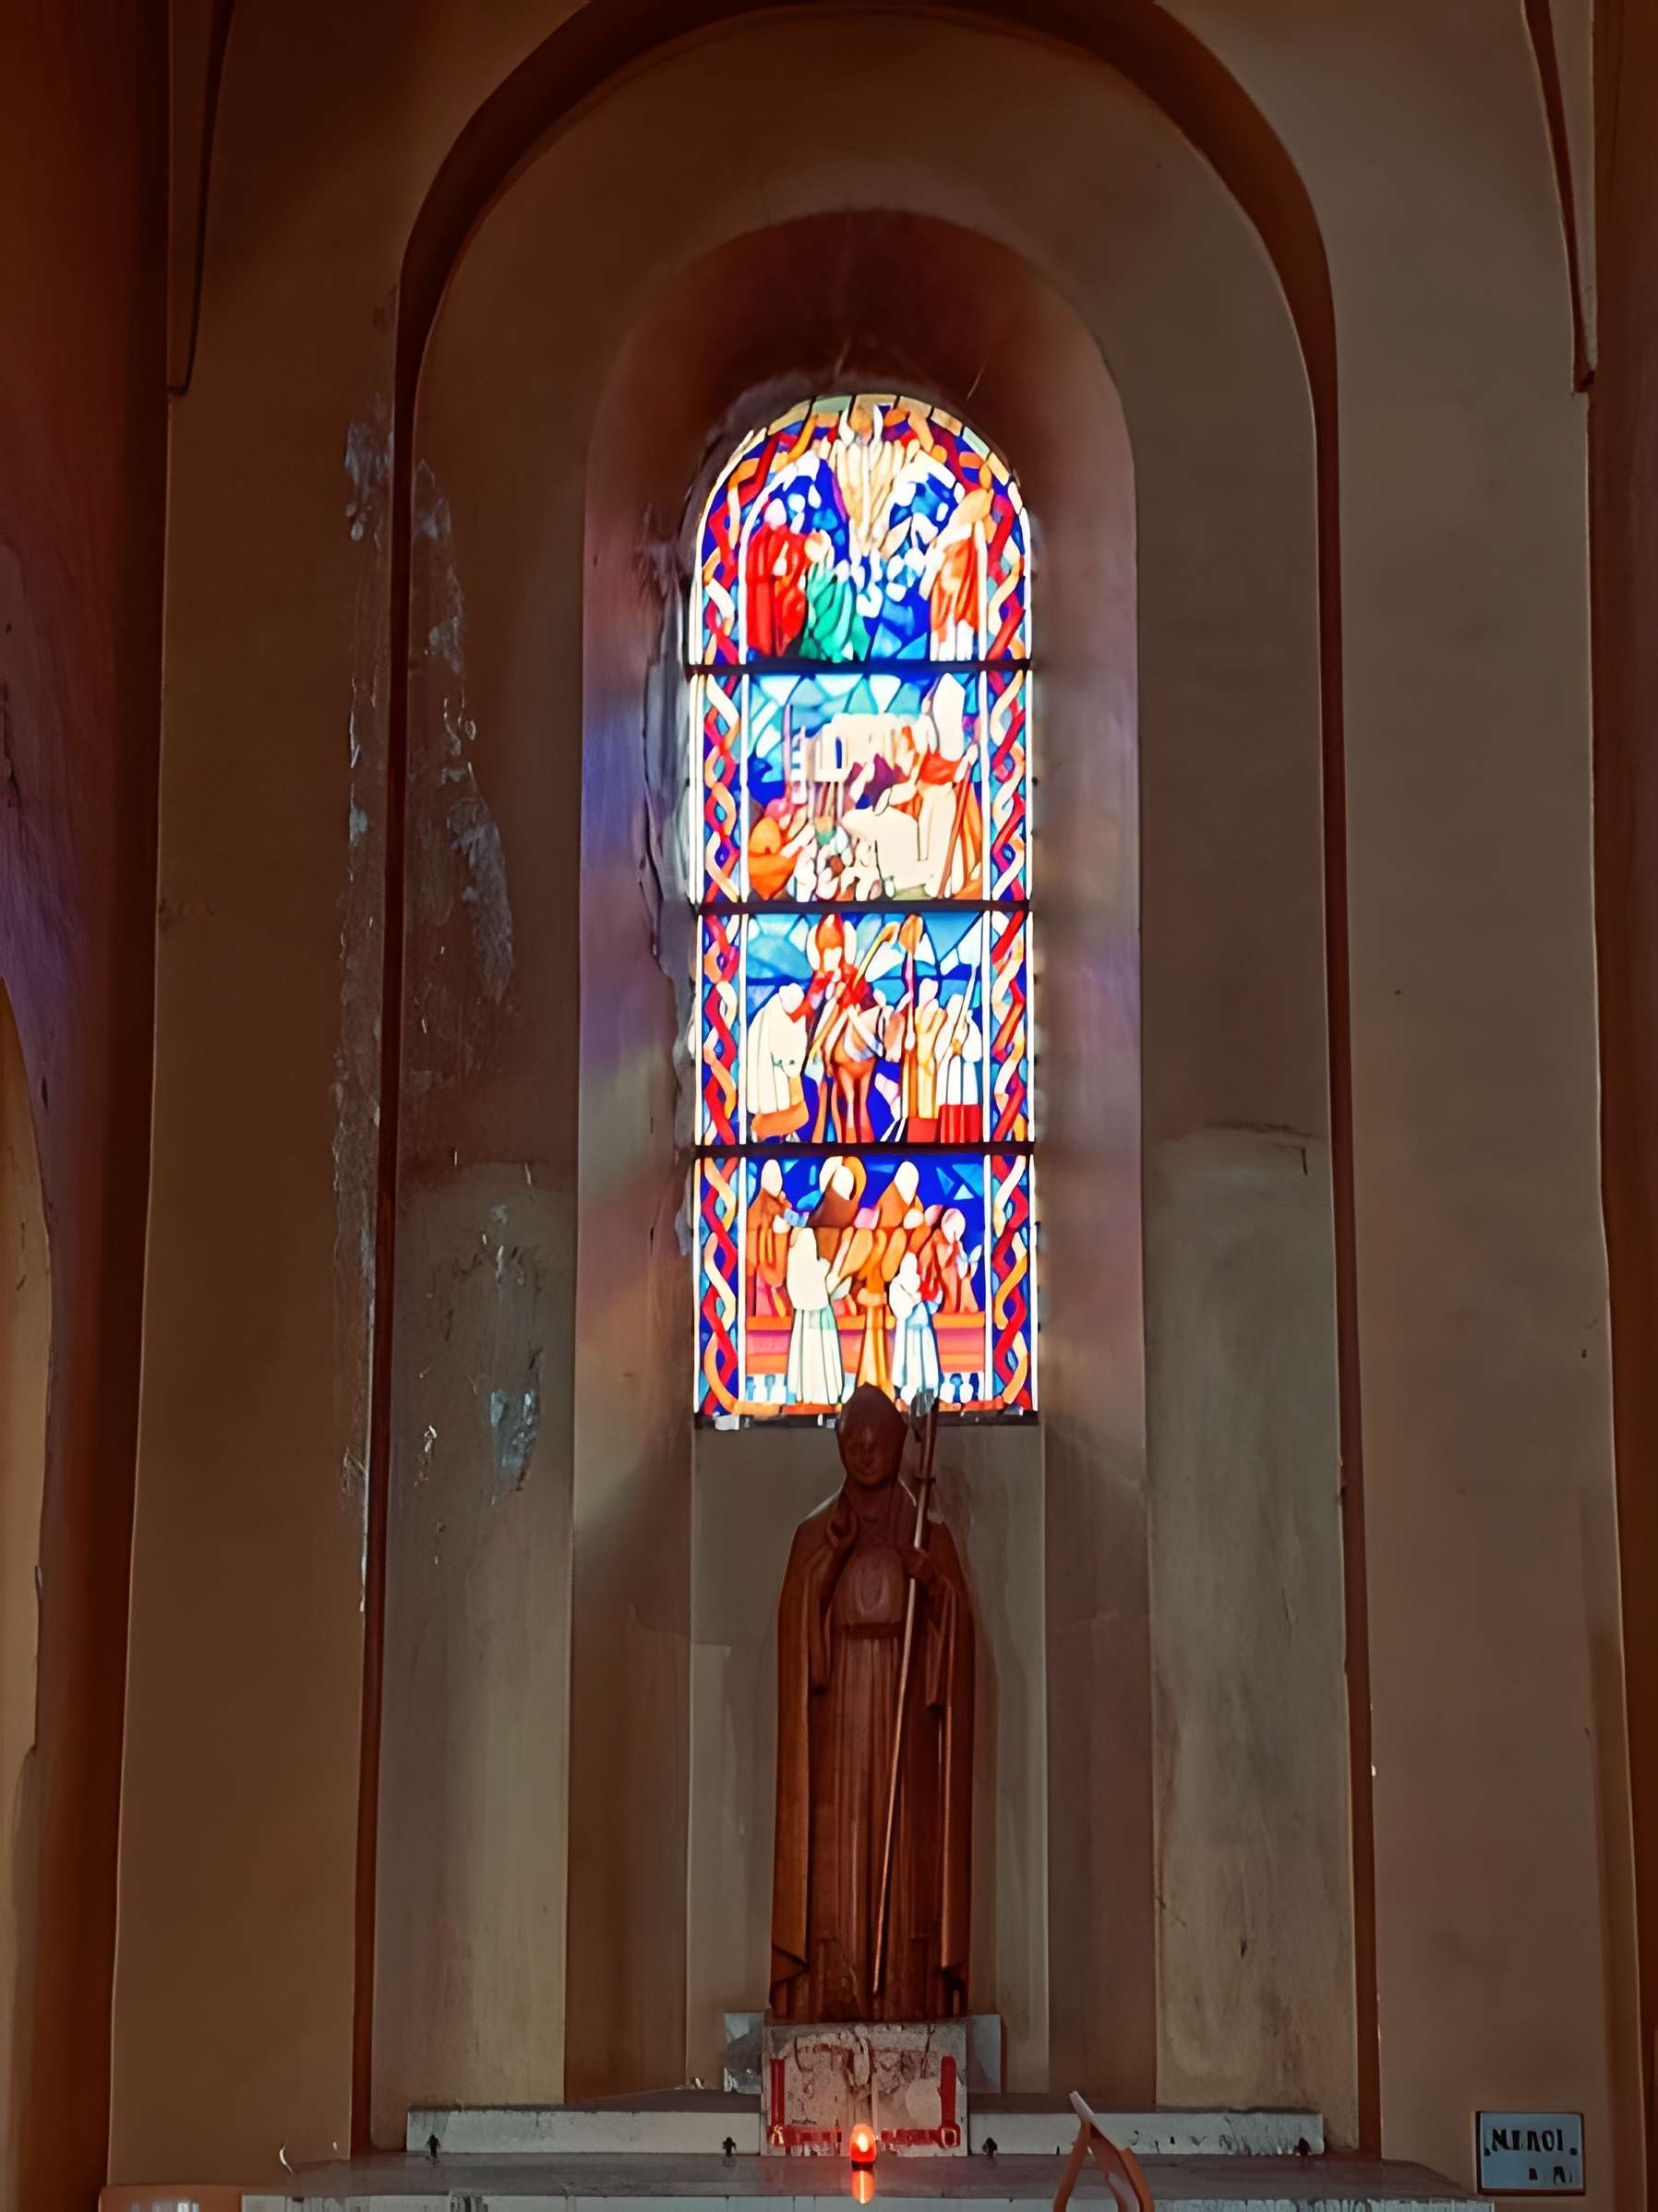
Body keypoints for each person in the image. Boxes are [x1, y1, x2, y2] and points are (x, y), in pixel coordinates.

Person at [771, 1386, 974, 2022]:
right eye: (853, 1443)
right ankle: (838, 1986)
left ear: (896, 1445)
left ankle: (903, 1991)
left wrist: (933, 1587)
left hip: (905, 1713)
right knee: (840, 1844)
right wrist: (830, 1562)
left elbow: (959, 1638)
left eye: (877, 1442)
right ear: (838, 1445)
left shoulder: (926, 1530)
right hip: (837, 1721)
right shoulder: (815, 1531)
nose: (865, 1454)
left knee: (904, 1847)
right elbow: (796, 1634)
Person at [784, 1225, 847, 1408]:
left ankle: (818, 1394)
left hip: (808, 1321)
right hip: (816, 1320)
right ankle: (820, 1394)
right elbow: (830, 1287)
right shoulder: (810, 1267)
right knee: (818, 1355)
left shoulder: (814, 1266)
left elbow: (835, 1289)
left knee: (813, 1355)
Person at [746, 498, 811, 657]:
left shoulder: (759, 538)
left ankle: (771, 651)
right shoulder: (774, 537)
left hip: (767, 591)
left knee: (769, 627)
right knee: (769, 627)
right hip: (767, 591)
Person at [747, 981, 811, 1139]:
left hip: (776, 1073)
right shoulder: (776, 1013)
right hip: (772, 1073)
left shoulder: (773, 1012)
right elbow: (788, 1052)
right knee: (801, 1113)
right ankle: (761, 1133)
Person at [890, 1249, 943, 1403]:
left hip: (923, 1328)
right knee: (908, 1357)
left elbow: (932, 1303)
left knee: (924, 1357)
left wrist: (932, 1296)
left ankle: (926, 1385)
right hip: (907, 1329)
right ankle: (907, 1387)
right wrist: (913, 1300)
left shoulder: (920, 1281)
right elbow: (899, 1307)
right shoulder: (897, 1283)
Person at [746, 1158, 793, 1318]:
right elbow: (786, 1217)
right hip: (763, 1260)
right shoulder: (769, 1204)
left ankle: (752, 1317)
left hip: (753, 1259)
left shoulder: (759, 1204)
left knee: (751, 1297)